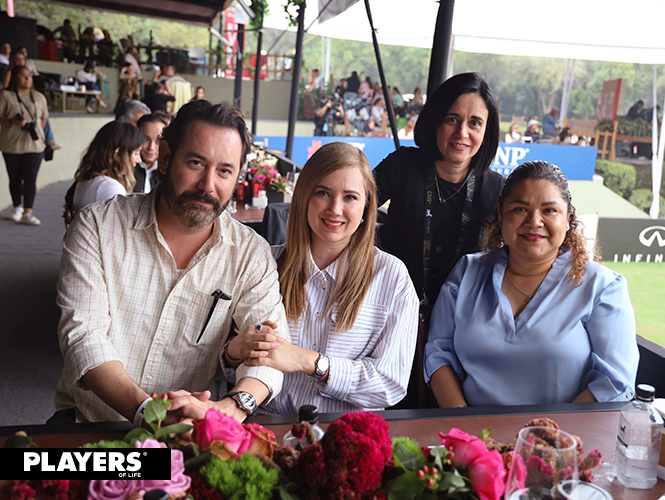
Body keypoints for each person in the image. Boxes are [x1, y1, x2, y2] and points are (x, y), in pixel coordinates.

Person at [53, 100, 290, 424]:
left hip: (189, 431)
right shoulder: (97, 226)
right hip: (92, 425)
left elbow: (270, 350)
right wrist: (148, 414)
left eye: (224, 171)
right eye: (196, 163)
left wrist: (231, 409)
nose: (208, 185)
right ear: (165, 158)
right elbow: (83, 336)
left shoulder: (250, 253)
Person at [424, 160, 639, 407]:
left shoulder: (602, 287)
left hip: (565, 430)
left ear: (568, 218)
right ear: (501, 213)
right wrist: (465, 424)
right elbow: (439, 354)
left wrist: (549, 430)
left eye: (549, 210)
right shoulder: (467, 272)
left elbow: (615, 380)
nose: (534, 221)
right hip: (471, 429)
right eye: (520, 209)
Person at [226, 142, 419, 414]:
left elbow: (389, 385)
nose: (335, 209)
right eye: (323, 193)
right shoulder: (264, 264)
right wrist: (232, 353)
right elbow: (224, 367)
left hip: (347, 430)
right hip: (267, 426)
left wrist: (309, 362)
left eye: (350, 197)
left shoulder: (392, 277)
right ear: (304, 196)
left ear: (366, 206)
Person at [374, 72, 504, 409]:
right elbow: (354, 205)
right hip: (390, 318)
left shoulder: (496, 190)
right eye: (452, 119)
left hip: (461, 332)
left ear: (487, 131)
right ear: (435, 121)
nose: (462, 133)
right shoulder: (404, 165)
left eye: (475, 123)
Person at [0, 66, 49, 226]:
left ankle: (28, 211)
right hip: (11, 144)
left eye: (29, 75)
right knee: (14, 177)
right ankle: (17, 207)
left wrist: (37, 132)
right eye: (23, 75)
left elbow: (43, 119)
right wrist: (12, 122)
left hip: (34, 145)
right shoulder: (6, 95)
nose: (28, 78)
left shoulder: (39, 96)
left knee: (30, 178)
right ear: (15, 78)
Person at [71, 121, 143, 211]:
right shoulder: (110, 188)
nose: (139, 160)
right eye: (136, 153)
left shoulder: (89, 180)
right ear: (118, 154)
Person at [133, 112, 169, 193]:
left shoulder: (169, 171)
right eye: (146, 140)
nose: (151, 147)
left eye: (158, 141)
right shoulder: (124, 169)